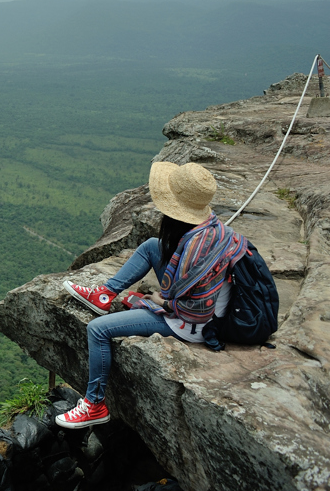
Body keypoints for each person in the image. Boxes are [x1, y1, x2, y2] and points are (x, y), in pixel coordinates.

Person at [55, 161, 248, 429]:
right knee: (151, 247)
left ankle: (94, 405)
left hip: (194, 326)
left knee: (97, 330)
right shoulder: (211, 228)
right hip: (209, 306)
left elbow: (195, 311)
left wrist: (159, 301)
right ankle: (105, 295)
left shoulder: (194, 250)